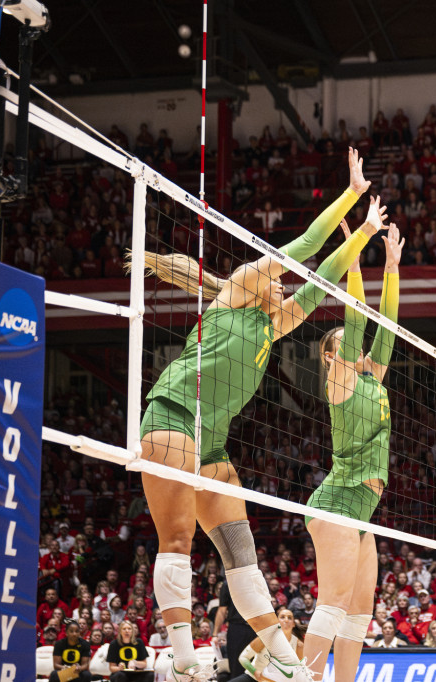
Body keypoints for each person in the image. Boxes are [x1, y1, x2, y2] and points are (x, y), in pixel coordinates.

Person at [134, 148, 382, 682]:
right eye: (280, 281)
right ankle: (182, 659)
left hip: (213, 442)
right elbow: (308, 249)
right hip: (174, 414)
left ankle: (279, 651)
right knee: (177, 539)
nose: (284, 285)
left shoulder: (273, 325)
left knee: (239, 548)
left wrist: (363, 236)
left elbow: (320, 285)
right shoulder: (240, 288)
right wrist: (352, 195)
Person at [302, 220, 403, 682]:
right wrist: (356, 263)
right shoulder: (339, 380)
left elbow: (385, 330)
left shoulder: (370, 378)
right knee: (335, 603)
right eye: (344, 344)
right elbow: (357, 321)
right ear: (330, 357)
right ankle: (303, 677)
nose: (354, 346)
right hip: (337, 500)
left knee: (360, 613)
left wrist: (393, 268)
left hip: (363, 508)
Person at [230, 608, 306, 682]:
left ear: (293, 624)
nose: (286, 620)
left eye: (289, 618)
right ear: (277, 622)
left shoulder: (298, 645)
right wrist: (255, 672)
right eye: (282, 617)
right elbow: (243, 658)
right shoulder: (265, 637)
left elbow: (299, 671)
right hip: (252, 678)